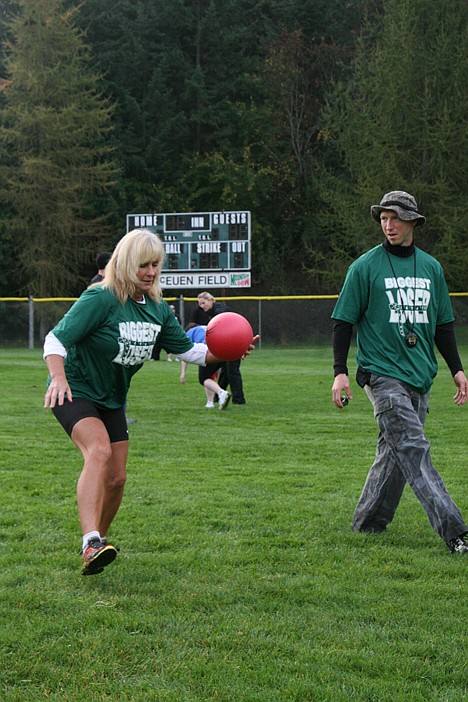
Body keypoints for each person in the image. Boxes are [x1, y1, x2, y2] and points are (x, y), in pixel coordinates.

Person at [43, 228, 253, 576]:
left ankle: (98, 546)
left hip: (112, 397)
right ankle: (90, 540)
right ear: (126, 263)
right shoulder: (100, 298)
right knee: (98, 451)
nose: (151, 272)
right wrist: (59, 377)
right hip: (73, 388)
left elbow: (192, 352)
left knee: (118, 478)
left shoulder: (156, 308)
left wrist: (232, 349)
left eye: (156, 264)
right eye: (143, 265)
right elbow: (55, 339)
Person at [331, 190, 468, 555]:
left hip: (421, 375)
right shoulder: (364, 267)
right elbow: (343, 323)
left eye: (395, 218)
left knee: (395, 452)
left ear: (413, 222)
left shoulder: (431, 268)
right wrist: (340, 372)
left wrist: (456, 369)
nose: (388, 225)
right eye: (383, 218)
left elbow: (443, 325)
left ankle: (368, 522)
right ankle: (456, 532)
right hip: (381, 374)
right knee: (413, 447)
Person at [197, 291, 247, 404]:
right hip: (228, 345)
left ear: (210, 300)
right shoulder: (212, 312)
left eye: (203, 303)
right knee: (226, 372)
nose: (201, 306)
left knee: (232, 371)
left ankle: (238, 399)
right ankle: (219, 396)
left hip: (232, 344)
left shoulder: (219, 311)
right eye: (200, 304)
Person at [179, 323, 230, 409]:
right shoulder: (206, 327)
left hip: (208, 352)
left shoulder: (190, 333)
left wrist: (183, 373)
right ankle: (210, 403)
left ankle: (221, 393)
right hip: (224, 350)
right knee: (210, 378)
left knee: (204, 379)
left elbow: (185, 354)